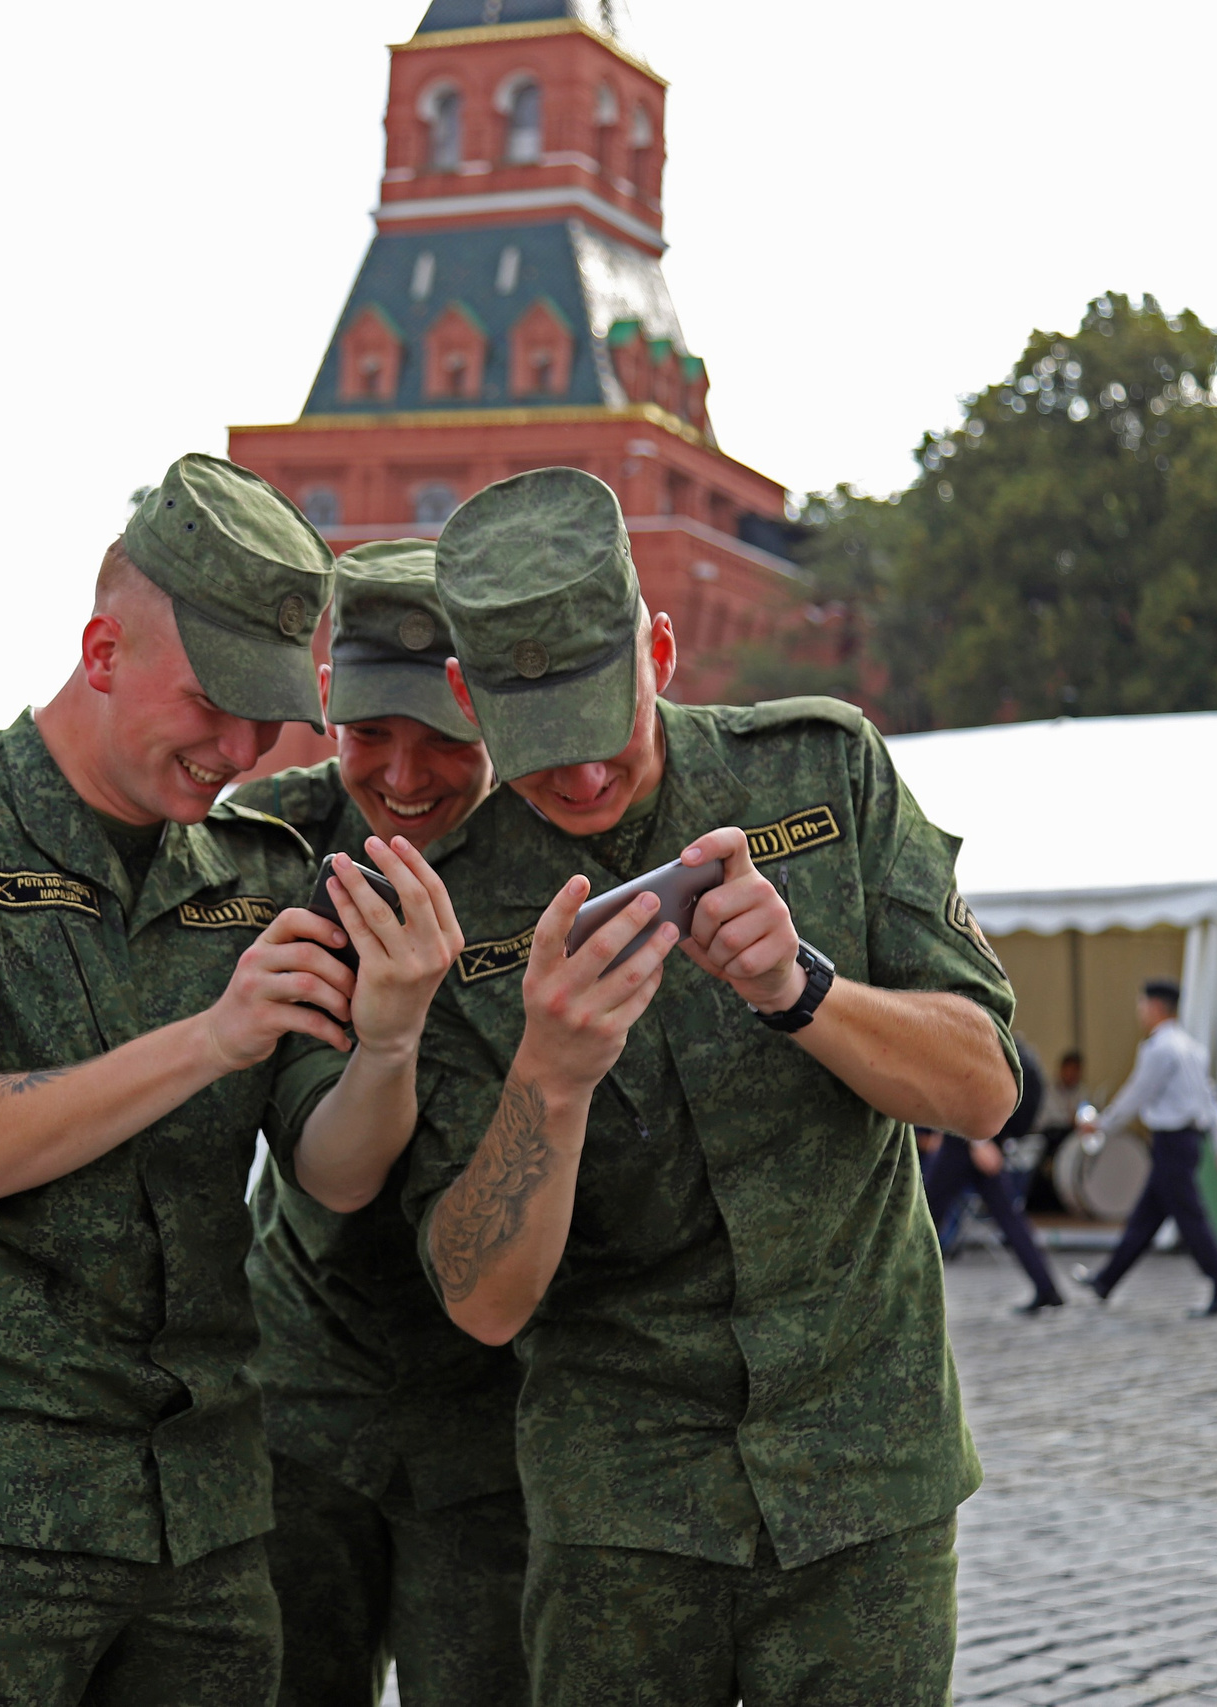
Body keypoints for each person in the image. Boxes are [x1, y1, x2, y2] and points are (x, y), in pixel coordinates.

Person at [0, 453, 466, 1705]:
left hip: (206, 1519)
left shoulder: (259, 870)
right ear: (102, 651)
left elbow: (333, 1171)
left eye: (264, 714)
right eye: (209, 704)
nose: (239, 746)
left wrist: (388, 1037)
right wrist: (212, 1036)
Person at [405, 469, 1021, 1706]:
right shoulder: (450, 906)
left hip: (863, 1479)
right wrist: (548, 1079)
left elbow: (983, 1089)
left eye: (605, 730)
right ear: (469, 701)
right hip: (622, 1512)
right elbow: (478, 1295)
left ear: (663, 650)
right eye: (540, 753)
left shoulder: (821, 775)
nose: (579, 783)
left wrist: (803, 992)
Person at [229, 539, 525, 1707]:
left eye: (443, 735)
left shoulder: (563, 845)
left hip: (499, 1418)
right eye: (369, 735)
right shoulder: (270, 847)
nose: (402, 774)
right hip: (301, 1400)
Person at [1071, 979, 1217, 1316]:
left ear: (1154, 1007)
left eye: (1141, 1005)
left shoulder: (1159, 1049)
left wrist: (1102, 1124)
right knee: (1145, 1218)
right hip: (1185, 1141)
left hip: (1172, 1143)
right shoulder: (1192, 1048)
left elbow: (1137, 1094)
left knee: (1191, 1221)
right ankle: (1107, 1280)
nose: (1139, 1012)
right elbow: (1212, 1102)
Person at [924, 1036, 1065, 1315]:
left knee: (925, 1215)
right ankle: (1047, 1287)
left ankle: (913, 1294)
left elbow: (969, 1088)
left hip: (968, 1139)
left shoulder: (975, 1036)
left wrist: (978, 1142)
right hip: (987, 1138)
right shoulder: (1006, 1042)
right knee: (1008, 1217)